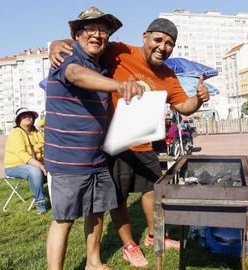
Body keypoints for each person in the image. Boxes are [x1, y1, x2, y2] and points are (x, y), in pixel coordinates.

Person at [50, 17, 210, 268]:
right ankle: (128, 245)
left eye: (169, 44)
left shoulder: (167, 75)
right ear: (145, 37)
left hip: (142, 142)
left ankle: (153, 234)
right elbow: (89, 42)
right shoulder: (121, 51)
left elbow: (184, 106)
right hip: (113, 142)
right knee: (117, 199)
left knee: (153, 190)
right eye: (158, 39)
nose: (163, 47)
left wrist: (198, 99)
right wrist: (58, 43)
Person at [44, 7, 141, 270]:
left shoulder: (100, 66)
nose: (98, 35)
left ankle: (93, 263)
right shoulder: (66, 56)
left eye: (104, 30)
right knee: (64, 219)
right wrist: (119, 86)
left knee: (96, 211)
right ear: (77, 33)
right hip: (68, 159)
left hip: (98, 157)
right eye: (91, 29)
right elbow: (76, 75)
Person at [4, 107, 48, 214]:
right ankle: (40, 204)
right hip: (15, 166)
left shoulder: (37, 132)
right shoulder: (16, 132)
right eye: (24, 116)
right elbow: (22, 154)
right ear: (19, 120)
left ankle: (60, 200)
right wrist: (41, 166)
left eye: (29, 115)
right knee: (35, 171)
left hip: (35, 163)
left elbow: (45, 147)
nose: (27, 117)